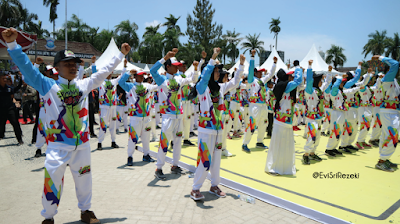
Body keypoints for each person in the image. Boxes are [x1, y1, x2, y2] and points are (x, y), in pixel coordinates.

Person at [2, 27, 130, 224]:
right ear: (57, 67)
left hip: (83, 146)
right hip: (58, 146)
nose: (73, 67)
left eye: (75, 64)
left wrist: (121, 54)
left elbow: (105, 72)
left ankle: (86, 211)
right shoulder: (48, 86)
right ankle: (48, 217)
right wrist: (12, 45)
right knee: (52, 181)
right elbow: (27, 69)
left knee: (85, 180)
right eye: (67, 63)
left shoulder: (83, 85)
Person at [190, 48, 243, 200]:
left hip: (219, 130)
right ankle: (195, 188)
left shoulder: (220, 88)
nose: (219, 74)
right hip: (206, 130)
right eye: (216, 71)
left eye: (219, 71)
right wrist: (212, 58)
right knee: (204, 160)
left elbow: (235, 82)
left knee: (217, 160)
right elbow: (205, 76)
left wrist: (241, 66)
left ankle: (214, 185)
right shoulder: (201, 88)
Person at [150, 48, 199, 180]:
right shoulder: (161, 80)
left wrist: (195, 68)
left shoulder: (178, 79)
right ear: (168, 67)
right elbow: (152, 70)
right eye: (175, 66)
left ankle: (175, 165)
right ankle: (159, 168)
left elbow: (193, 79)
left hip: (179, 116)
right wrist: (165, 57)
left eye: (178, 66)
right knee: (164, 142)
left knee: (178, 142)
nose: (178, 68)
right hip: (167, 117)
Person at [265, 60, 302, 176]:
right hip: (284, 121)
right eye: (288, 76)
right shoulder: (285, 86)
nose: (290, 78)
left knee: (278, 144)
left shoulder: (278, 86)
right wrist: (298, 67)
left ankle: (277, 166)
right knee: (285, 144)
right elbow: (298, 80)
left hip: (281, 120)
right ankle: (279, 167)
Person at [119, 69, 158, 165]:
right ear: (135, 76)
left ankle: (146, 155)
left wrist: (160, 76)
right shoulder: (130, 86)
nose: (142, 77)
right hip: (135, 117)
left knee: (146, 138)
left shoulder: (147, 86)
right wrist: (128, 73)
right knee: (133, 138)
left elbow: (158, 86)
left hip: (147, 117)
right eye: (140, 75)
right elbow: (120, 82)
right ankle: (130, 156)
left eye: (143, 76)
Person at [241, 51, 276, 152]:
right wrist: (252, 57)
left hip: (263, 106)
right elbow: (250, 70)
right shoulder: (252, 80)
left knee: (264, 123)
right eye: (259, 71)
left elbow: (270, 75)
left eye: (262, 71)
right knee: (252, 124)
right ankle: (245, 143)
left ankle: (259, 141)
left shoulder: (261, 81)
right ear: (255, 73)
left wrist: (274, 63)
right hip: (255, 105)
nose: (261, 73)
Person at [372, 54, 399, 172]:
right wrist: (381, 57)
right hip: (388, 111)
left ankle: (384, 158)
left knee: (386, 134)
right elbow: (395, 64)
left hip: (392, 111)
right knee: (392, 134)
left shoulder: (394, 80)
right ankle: (381, 161)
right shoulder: (387, 79)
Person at [93, 59, 127, 150]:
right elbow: (94, 76)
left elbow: (121, 76)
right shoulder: (101, 82)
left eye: (111, 73)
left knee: (113, 125)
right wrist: (93, 64)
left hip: (113, 107)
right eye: (108, 72)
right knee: (103, 125)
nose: (110, 74)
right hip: (104, 107)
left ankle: (113, 141)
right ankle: (99, 143)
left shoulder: (113, 82)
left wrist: (124, 66)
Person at [302, 61, 332, 165]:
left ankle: (312, 153)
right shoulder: (309, 90)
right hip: (311, 117)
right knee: (312, 135)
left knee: (318, 136)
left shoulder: (319, 90)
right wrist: (309, 66)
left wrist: (329, 72)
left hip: (319, 117)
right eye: (320, 80)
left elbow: (327, 83)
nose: (322, 81)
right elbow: (309, 80)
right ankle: (306, 154)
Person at [0, 71, 23, 145]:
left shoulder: (9, 88)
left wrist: (20, 78)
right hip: (1, 109)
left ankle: (19, 139)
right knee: (1, 124)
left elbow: (17, 87)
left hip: (10, 108)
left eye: (5, 78)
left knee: (15, 123)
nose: (5, 80)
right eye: (3, 78)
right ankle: (1, 135)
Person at [369, 72, 384, 146]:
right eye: (380, 77)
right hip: (377, 107)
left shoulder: (383, 86)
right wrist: (379, 79)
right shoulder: (375, 87)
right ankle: (372, 139)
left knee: (380, 123)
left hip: (382, 107)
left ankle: (377, 138)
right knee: (377, 122)